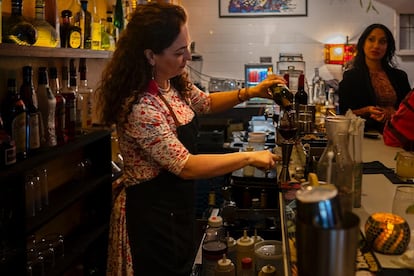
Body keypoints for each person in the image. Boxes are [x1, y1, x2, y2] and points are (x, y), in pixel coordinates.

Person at [95, 3, 285, 275]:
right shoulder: (141, 107)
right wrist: (249, 156)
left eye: (188, 47)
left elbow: (205, 102)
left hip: (175, 207)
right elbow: (187, 166)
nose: (188, 57)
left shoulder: (173, 82)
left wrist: (253, 91)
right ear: (151, 55)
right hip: (149, 216)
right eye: (179, 52)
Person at [338, 23, 411, 132]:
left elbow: (409, 110)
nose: (376, 46)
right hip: (367, 134)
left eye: (382, 42)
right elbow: (344, 113)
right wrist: (367, 110)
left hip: (398, 134)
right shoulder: (351, 77)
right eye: (371, 39)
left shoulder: (400, 76)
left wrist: (393, 114)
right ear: (363, 44)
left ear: (388, 47)